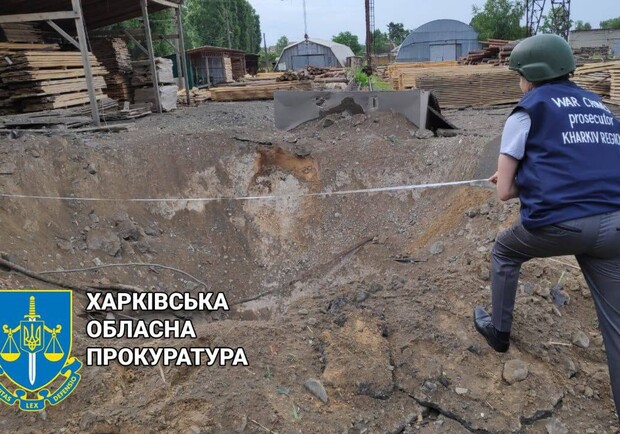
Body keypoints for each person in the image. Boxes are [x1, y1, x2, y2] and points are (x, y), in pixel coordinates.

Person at [473, 33, 620, 419]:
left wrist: (515, 177)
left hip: (561, 224)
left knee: (505, 250)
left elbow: (505, 191)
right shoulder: (599, 106)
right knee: (616, 329)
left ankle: (498, 333)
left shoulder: (528, 110)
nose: (518, 81)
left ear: (532, 74)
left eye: (519, 74)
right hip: (615, 226)